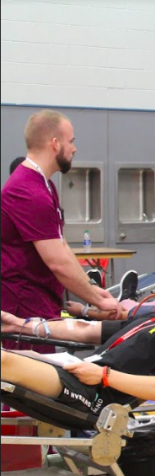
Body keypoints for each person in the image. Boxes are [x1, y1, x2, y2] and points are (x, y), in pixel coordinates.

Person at [0, 248, 155, 415]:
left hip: (94, 395)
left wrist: (104, 376)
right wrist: (19, 324)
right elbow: (84, 330)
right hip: (74, 374)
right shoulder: (152, 319)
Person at [1, 110, 120, 352]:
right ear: (55, 144)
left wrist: (91, 288)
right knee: (27, 386)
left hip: (41, 303)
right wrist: (96, 300)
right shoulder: (27, 191)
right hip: (23, 308)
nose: (74, 149)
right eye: (71, 141)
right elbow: (57, 262)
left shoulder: (44, 185)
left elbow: (62, 248)